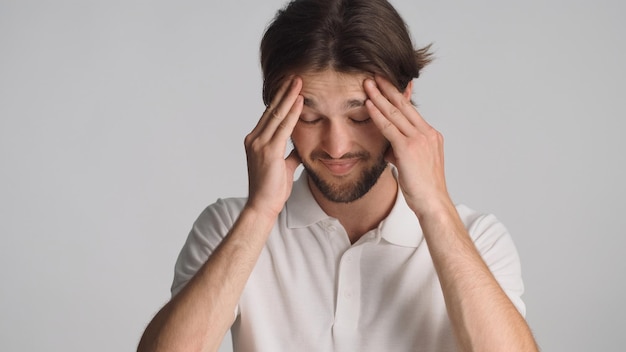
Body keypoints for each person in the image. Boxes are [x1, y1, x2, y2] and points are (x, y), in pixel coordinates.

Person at [138, 0, 539, 351]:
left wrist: (435, 208)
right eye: (310, 117)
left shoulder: (478, 237)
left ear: (404, 102)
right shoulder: (228, 226)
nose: (336, 145)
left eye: (360, 116)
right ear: (277, 114)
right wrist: (260, 214)